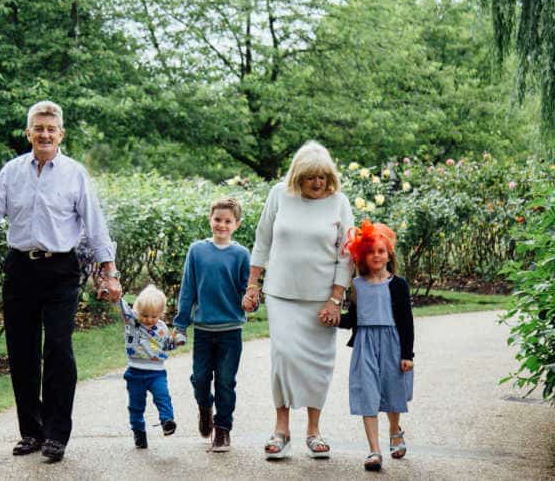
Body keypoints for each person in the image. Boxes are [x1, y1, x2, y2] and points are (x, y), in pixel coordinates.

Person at [0, 100, 122, 463]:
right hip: (19, 268)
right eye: (38, 128)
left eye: (51, 129)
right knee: (22, 353)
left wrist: (109, 272)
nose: (45, 134)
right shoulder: (12, 171)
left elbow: (95, 224)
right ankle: (31, 431)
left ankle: (56, 433)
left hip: (60, 270)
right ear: (28, 132)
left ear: (61, 134)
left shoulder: (75, 173)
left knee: (59, 348)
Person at [245, 140, 354, 460]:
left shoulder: (339, 202)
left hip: (322, 299)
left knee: (318, 364)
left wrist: (336, 298)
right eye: (310, 177)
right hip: (281, 293)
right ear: (297, 176)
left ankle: (314, 431)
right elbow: (262, 241)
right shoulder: (280, 195)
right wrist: (253, 284)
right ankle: (281, 429)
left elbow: (345, 255)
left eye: (322, 177)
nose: (317, 183)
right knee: (284, 356)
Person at [173, 196, 251, 453]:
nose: (221, 225)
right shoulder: (197, 251)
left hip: (230, 329)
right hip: (204, 331)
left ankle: (223, 430)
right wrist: (181, 325)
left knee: (226, 381)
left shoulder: (241, 254)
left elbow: (246, 291)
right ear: (210, 220)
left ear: (236, 224)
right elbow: (188, 289)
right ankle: (205, 408)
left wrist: (252, 301)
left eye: (228, 221)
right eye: (217, 219)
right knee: (200, 379)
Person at [339, 220, 414, 472]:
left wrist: (407, 354)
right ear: (362, 255)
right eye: (370, 252)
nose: (376, 256)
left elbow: (406, 322)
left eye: (380, 251)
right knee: (367, 393)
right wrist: (335, 319)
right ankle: (374, 450)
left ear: (388, 253)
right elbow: (353, 319)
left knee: (393, 391)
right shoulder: (356, 286)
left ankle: (395, 430)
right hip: (365, 345)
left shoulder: (398, 285)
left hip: (393, 343)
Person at [116, 284, 181, 448]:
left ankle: (167, 421)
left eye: (154, 316)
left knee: (163, 397)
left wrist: (176, 342)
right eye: (145, 315)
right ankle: (139, 433)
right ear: (137, 311)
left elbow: (167, 346)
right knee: (136, 406)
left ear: (160, 314)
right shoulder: (132, 322)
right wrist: (115, 296)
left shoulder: (162, 328)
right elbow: (122, 307)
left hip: (157, 373)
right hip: (135, 372)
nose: (149, 319)